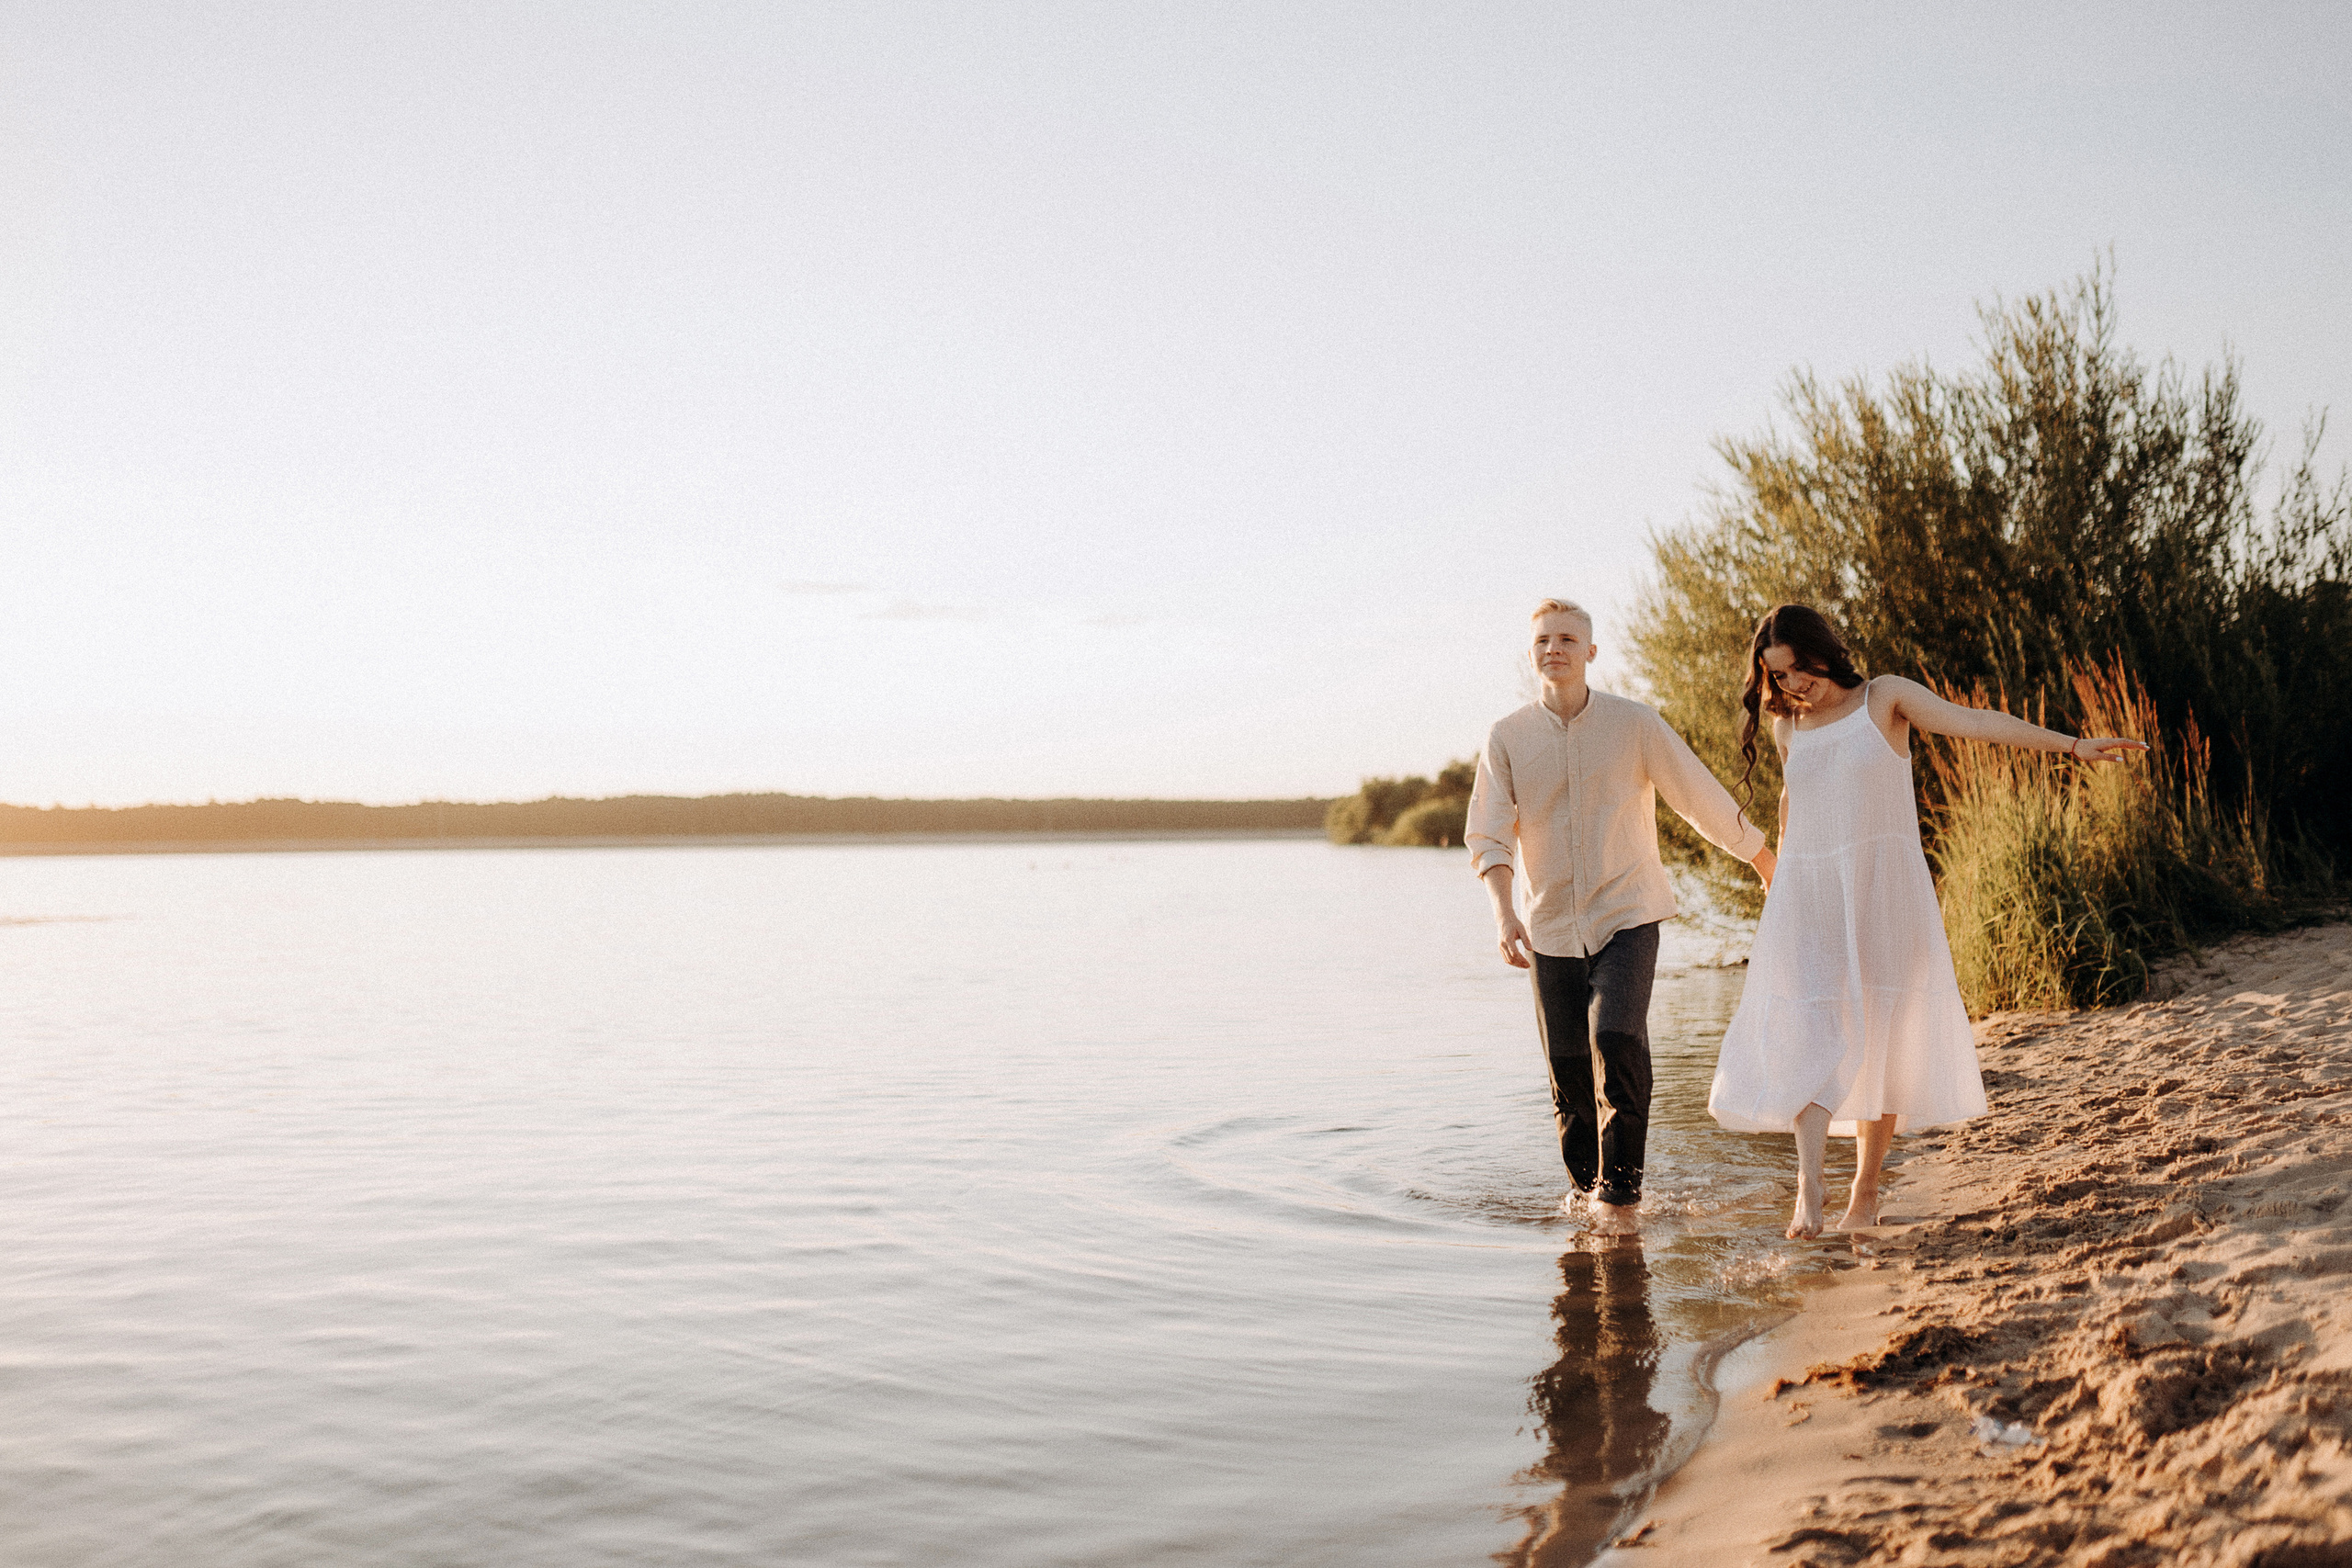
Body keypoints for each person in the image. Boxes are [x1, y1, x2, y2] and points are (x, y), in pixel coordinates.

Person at [1707, 604, 2147, 1239]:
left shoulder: (1882, 699)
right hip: (1810, 898)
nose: (1792, 685)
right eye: (1778, 676)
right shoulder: (1788, 729)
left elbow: (1973, 724)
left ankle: (1865, 1189)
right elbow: (1791, 806)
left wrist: (2071, 745)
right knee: (1809, 1033)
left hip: (1886, 895)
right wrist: (1774, 880)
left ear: (1824, 651)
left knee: (1881, 1041)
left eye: (1799, 668)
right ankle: (1810, 1183)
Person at [1467, 599, 1778, 1235]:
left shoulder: (1634, 725)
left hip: (1628, 914)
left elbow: (1698, 795)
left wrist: (1764, 859)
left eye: (1567, 639)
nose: (1554, 648)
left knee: (1616, 1035)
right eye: (1543, 640)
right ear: (1533, 652)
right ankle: (1588, 1199)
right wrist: (1504, 915)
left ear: (1590, 652)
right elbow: (1490, 838)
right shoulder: (1507, 737)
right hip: (1549, 925)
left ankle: (1621, 1196)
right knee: (1569, 1075)